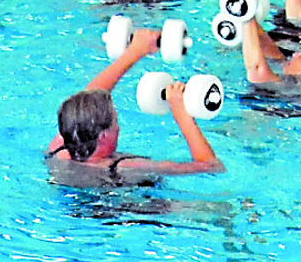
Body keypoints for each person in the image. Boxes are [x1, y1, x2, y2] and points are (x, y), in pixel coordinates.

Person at [43, 28, 225, 186]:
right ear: (104, 134)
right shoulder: (129, 167)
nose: (119, 125)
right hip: (128, 211)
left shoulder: (58, 149)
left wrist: (134, 52)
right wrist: (181, 114)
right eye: (115, 120)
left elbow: (86, 99)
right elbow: (212, 167)